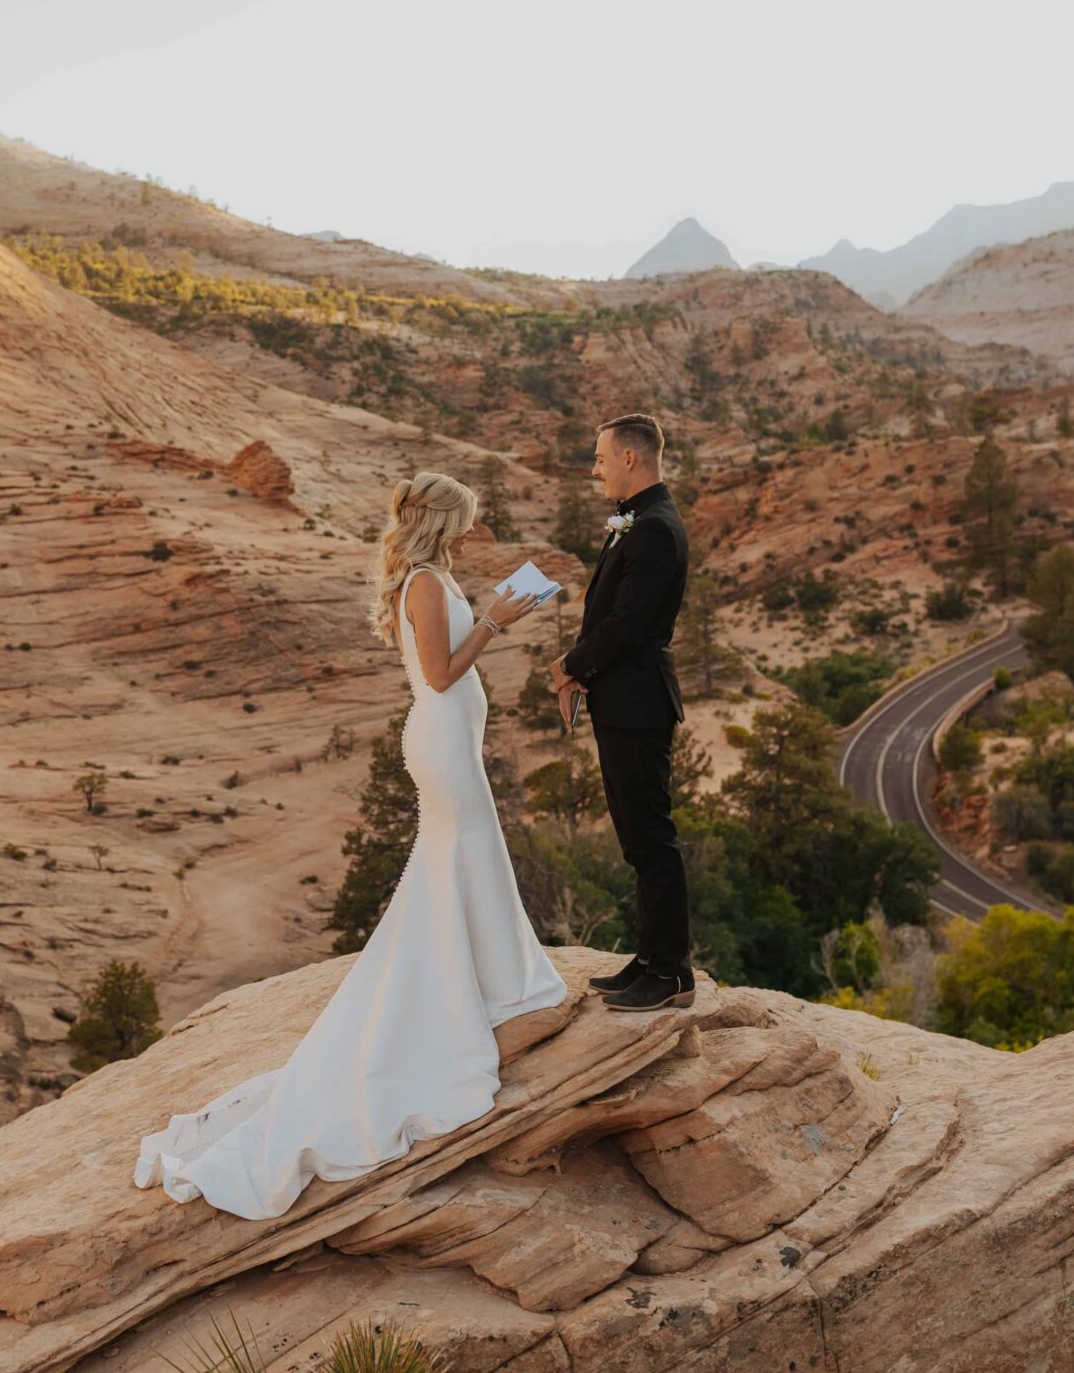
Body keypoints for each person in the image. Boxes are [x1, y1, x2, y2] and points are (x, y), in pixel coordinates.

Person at [132, 470, 564, 1219]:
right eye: (464, 519)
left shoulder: (433, 577)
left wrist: (491, 614)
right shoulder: (426, 582)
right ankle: (474, 992)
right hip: (441, 739)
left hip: (450, 738)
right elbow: (437, 675)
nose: (471, 530)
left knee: (462, 858)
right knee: (462, 851)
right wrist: (493, 621)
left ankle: (492, 981)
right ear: (441, 522)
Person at [552, 413, 693, 1011]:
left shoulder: (655, 527)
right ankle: (651, 958)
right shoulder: (637, 521)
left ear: (631, 459)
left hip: (638, 703)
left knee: (652, 840)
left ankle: (672, 974)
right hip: (621, 699)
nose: (595, 468)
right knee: (637, 841)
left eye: (602, 458)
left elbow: (627, 625)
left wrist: (571, 666)